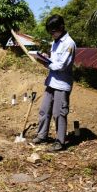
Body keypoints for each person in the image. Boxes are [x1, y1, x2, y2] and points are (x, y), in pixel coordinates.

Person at [32, 14, 76, 152]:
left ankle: (60, 142)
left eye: (53, 31)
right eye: (50, 32)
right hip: (51, 82)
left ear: (61, 28)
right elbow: (54, 60)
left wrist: (46, 63)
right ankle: (42, 135)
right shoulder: (55, 42)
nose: (51, 34)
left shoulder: (69, 43)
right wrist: (46, 58)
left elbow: (62, 65)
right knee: (44, 110)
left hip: (62, 84)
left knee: (59, 113)